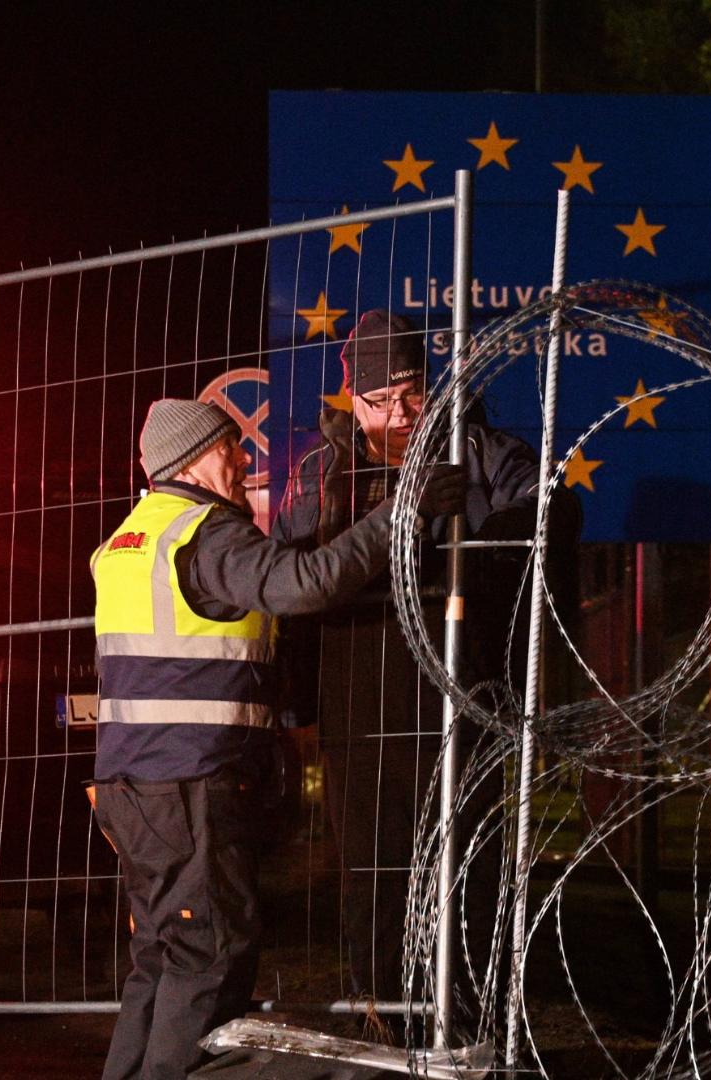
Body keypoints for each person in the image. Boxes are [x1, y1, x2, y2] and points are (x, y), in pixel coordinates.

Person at [89, 397, 464, 1080]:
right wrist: (403, 511)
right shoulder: (207, 535)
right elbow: (305, 583)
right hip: (190, 784)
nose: (243, 459)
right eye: (229, 447)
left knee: (161, 958)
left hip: (130, 788)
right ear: (191, 462)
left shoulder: (127, 541)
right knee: (209, 955)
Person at [272, 310, 578, 1017]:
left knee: (464, 858)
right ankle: (382, 1009)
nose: (402, 413)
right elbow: (291, 578)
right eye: (382, 400)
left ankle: (463, 1012)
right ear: (354, 400)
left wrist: (478, 555)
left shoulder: (476, 450)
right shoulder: (320, 472)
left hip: (458, 689)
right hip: (357, 695)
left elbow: (552, 508)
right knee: (371, 866)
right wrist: (296, 697)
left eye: (413, 393)